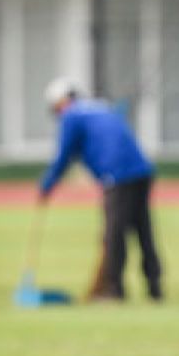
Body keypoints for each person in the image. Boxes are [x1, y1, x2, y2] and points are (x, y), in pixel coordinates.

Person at [39, 77, 163, 301]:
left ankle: (113, 290)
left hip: (117, 175)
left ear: (60, 102)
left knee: (114, 234)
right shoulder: (98, 107)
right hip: (141, 170)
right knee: (143, 229)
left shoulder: (71, 116)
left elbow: (64, 155)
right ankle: (155, 287)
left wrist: (47, 185)